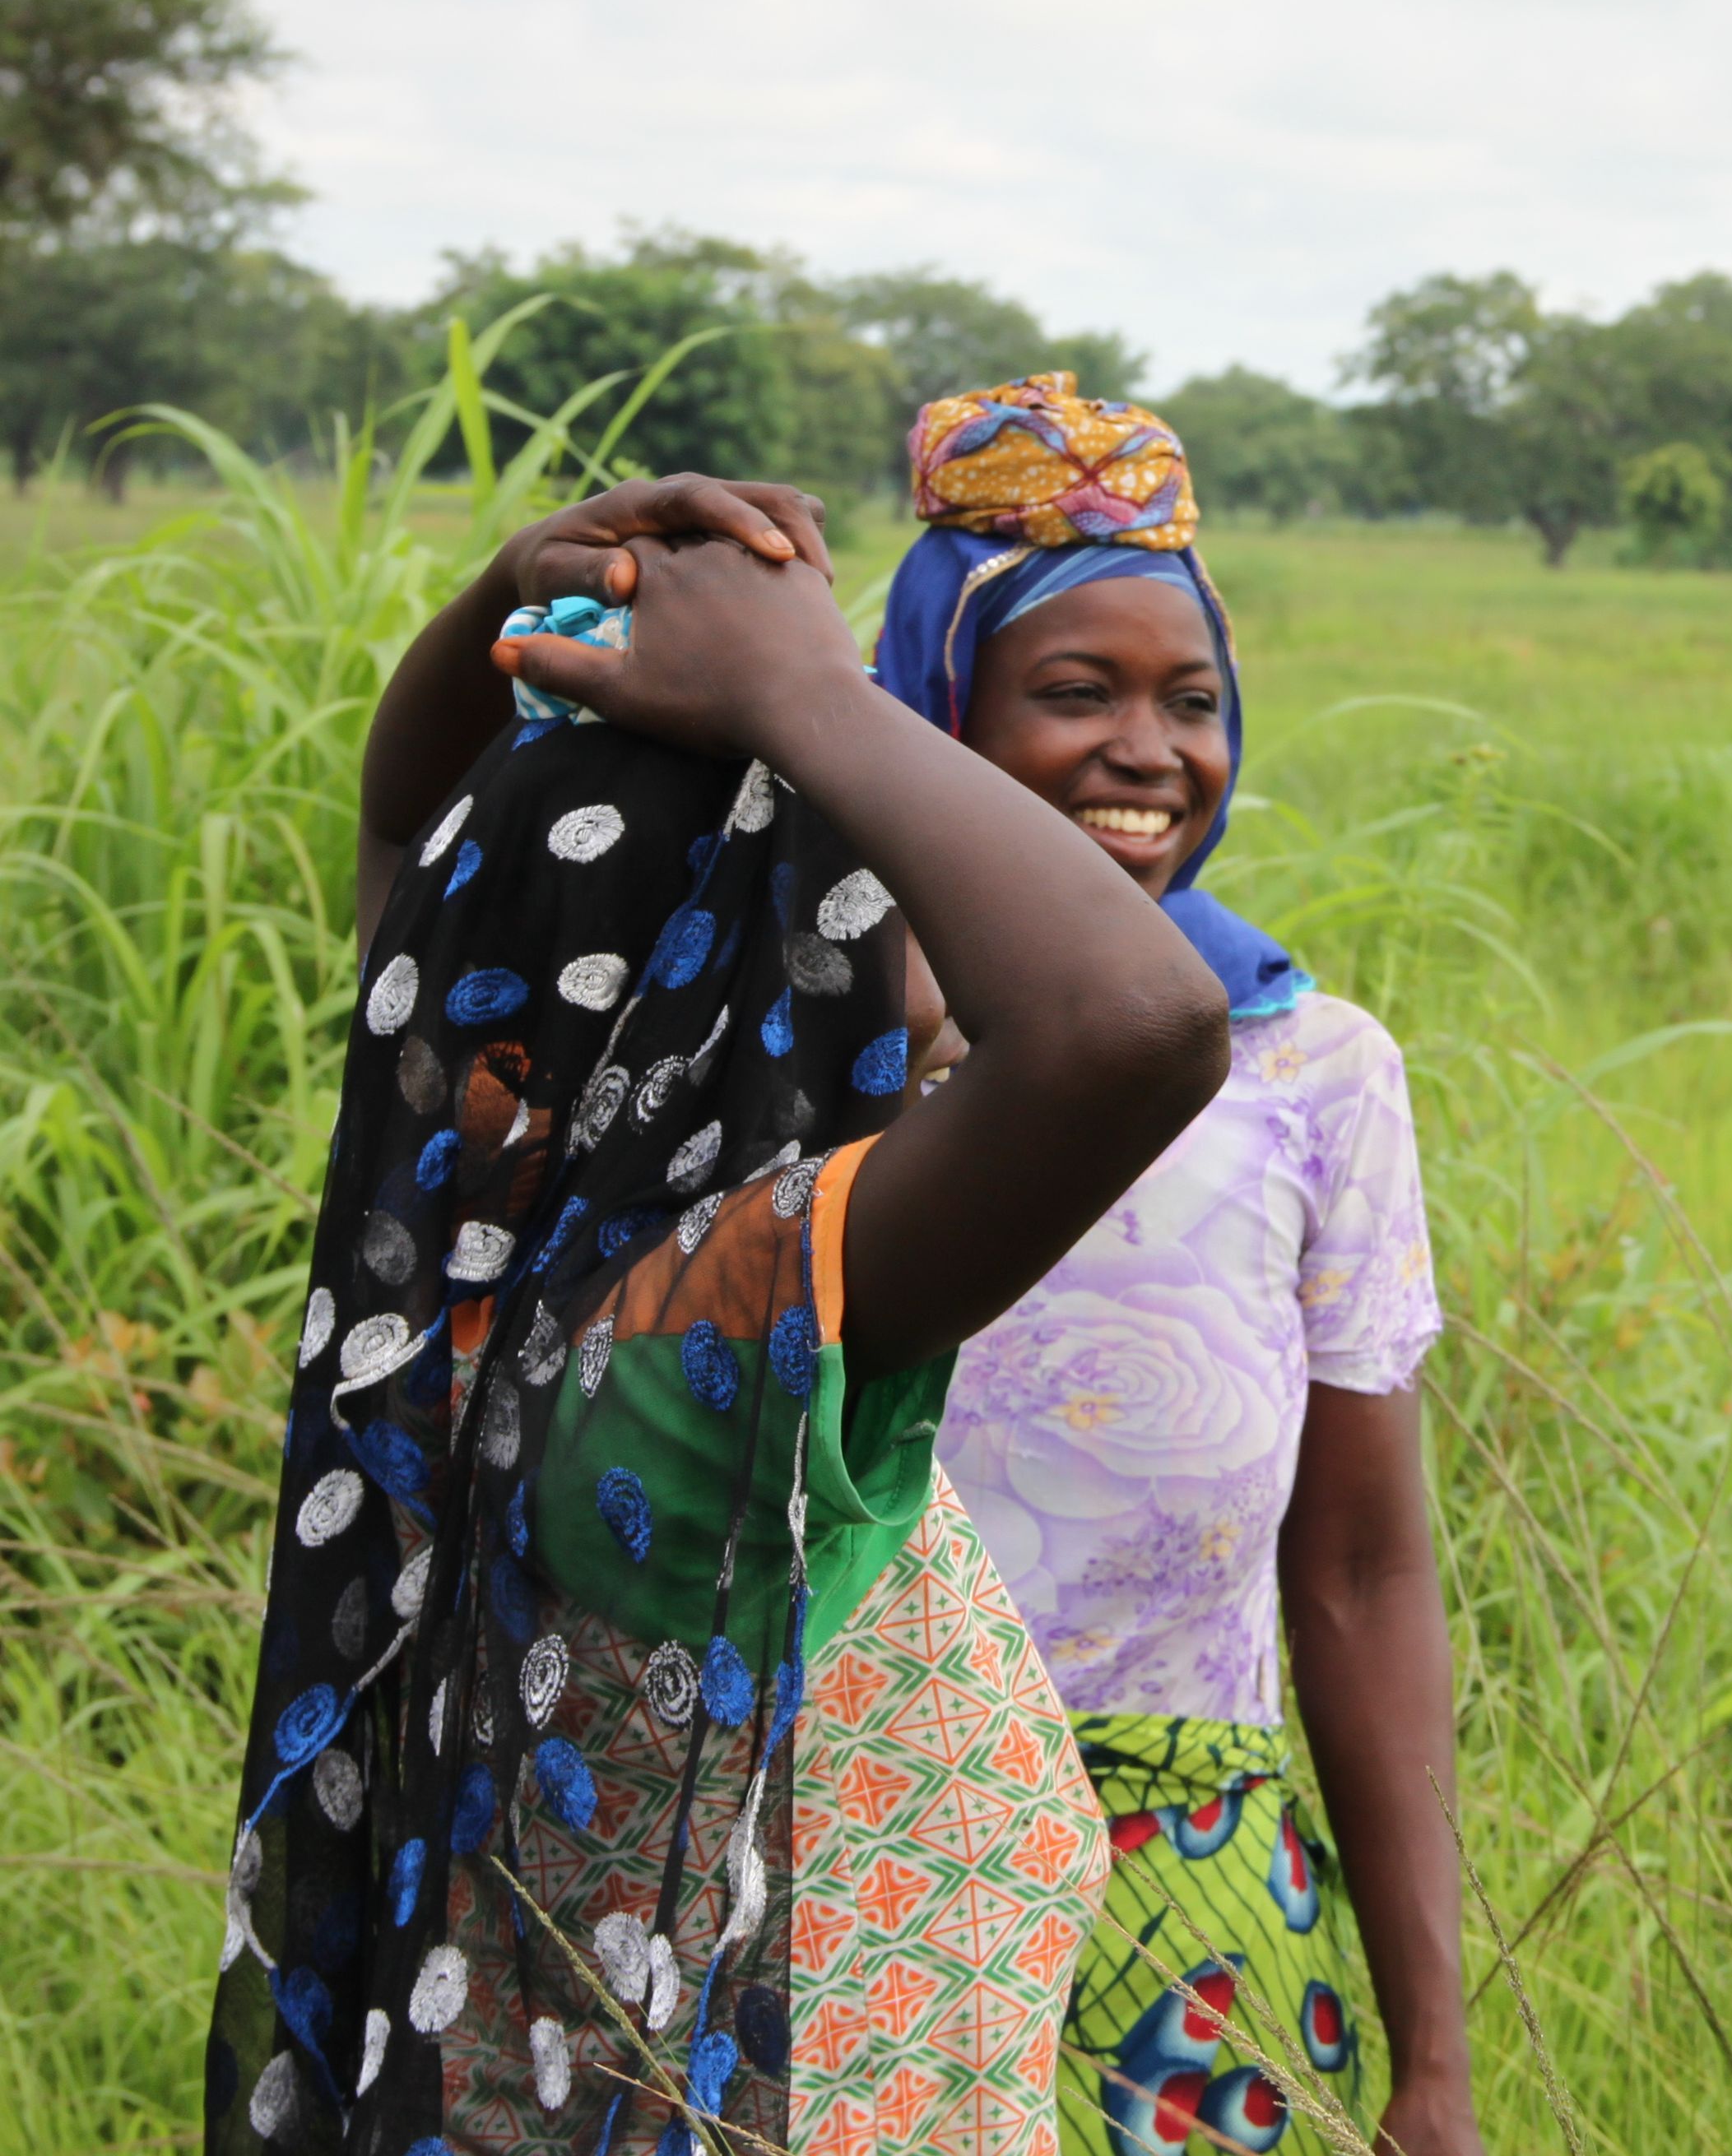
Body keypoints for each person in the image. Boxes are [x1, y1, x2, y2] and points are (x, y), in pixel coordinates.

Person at [211, 476, 1235, 2156]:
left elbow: (414, 850)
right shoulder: (696, 1338)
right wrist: (807, 700)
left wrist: (506, 608)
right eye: (872, 919)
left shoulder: (496, 1253)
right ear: (733, 991)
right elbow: (1130, 1027)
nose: (932, 980)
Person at [869, 375, 1482, 2156]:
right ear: (927, 726)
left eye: (1193, 700)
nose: (1153, 750)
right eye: (1075, 693)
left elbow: (1362, 1571)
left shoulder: (1309, 1067)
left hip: (1193, 1894)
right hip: (854, 1838)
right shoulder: (808, 1059)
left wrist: (1431, 2060)